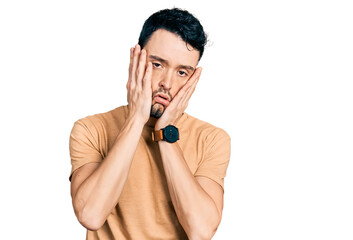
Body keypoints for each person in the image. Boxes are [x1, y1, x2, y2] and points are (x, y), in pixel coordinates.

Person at [68, 8, 231, 240]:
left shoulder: (212, 139)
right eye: (157, 65)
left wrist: (165, 132)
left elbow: (201, 231)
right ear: (136, 60)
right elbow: (90, 215)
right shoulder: (91, 129)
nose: (167, 83)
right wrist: (136, 118)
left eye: (182, 72)